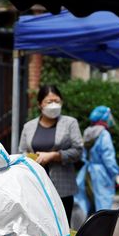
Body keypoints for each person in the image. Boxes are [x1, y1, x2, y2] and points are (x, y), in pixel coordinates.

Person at [19, 85, 83, 223]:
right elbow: (22, 151)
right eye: (49, 101)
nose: (53, 105)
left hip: (62, 189)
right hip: (36, 187)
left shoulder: (70, 123)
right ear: (40, 104)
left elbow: (78, 150)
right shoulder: (29, 126)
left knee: (62, 229)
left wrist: (54, 156)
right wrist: (30, 158)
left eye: (57, 101)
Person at [74, 105, 119, 216]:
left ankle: (90, 232)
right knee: (102, 208)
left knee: (90, 206)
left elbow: (83, 155)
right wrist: (116, 174)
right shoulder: (104, 134)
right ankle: (100, 233)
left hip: (87, 173)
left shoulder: (87, 132)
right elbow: (108, 157)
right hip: (101, 175)